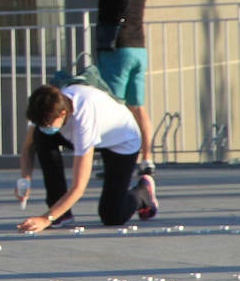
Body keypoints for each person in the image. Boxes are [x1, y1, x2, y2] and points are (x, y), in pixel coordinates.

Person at [15, 82, 159, 232]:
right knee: (41, 136)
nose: (46, 127)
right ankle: (61, 213)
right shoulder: (45, 106)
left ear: (63, 113)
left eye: (49, 125)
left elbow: (79, 187)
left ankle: (143, 193)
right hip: (95, 132)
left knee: (112, 215)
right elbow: (28, 147)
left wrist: (46, 219)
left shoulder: (84, 120)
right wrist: (25, 180)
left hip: (122, 142)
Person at [83, 0, 154, 173]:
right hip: (138, 50)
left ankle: (119, 162)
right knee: (138, 106)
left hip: (116, 51)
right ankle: (147, 158)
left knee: (115, 106)